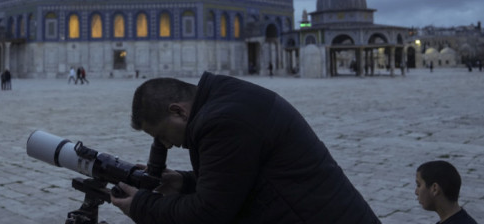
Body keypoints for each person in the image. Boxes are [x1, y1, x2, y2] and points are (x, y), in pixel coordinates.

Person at [111, 72, 380, 223]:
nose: (166, 144)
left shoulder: (223, 120)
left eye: (161, 134)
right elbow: (238, 177)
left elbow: (209, 213)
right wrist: (183, 182)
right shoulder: (223, 98)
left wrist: (142, 206)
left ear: (178, 111)